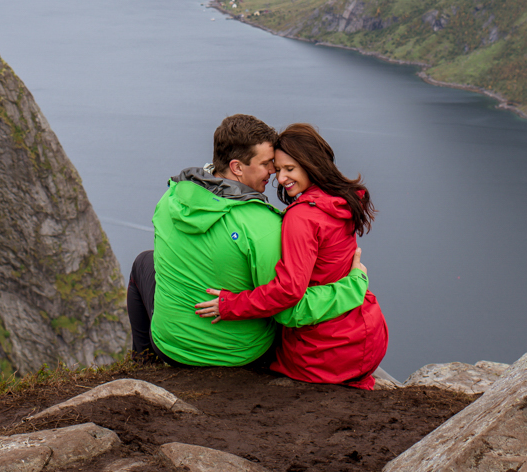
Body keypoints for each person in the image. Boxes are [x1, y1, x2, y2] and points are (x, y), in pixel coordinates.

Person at [127, 114, 368, 367]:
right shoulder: (263, 227)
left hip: (170, 347)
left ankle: (143, 363)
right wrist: (352, 285)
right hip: (241, 355)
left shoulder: (171, 198)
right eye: (266, 163)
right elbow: (288, 306)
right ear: (237, 167)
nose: (273, 172)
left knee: (144, 261)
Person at [194, 123, 388, 388]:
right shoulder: (341, 200)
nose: (281, 178)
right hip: (367, 336)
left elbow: (289, 292)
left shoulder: (302, 216)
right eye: (277, 168)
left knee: (253, 346)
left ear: (311, 165)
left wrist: (231, 305)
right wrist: (356, 280)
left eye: (290, 169)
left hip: (325, 353)